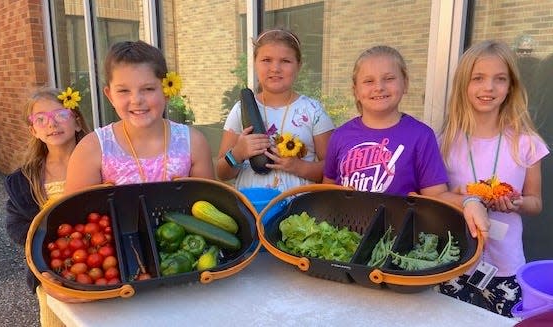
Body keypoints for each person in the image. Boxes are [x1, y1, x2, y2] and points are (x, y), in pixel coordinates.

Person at [322, 45, 488, 237]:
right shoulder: (340, 136)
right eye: (368, 81)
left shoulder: (421, 136)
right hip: (344, 236)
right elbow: (328, 191)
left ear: (405, 84)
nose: (379, 87)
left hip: (396, 240)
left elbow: (436, 196)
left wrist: (469, 202)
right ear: (356, 91)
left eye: (389, 78)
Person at [438, 40, 549, 317]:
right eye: (478, 78)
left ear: (511, 86)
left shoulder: (526, 142)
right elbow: (435, 197)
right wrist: (465, 199)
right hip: (455, 262)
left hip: (507, 265)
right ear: (463, 84)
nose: (489, 88)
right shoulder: (444, 143)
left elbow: (536, 203)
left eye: (500, 79)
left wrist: (518, 203)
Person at [65, 40, 214, 193]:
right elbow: (74, 213)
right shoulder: (92, 149)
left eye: (148, 89)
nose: (136, 100)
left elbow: (209, 204)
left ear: (166, 91)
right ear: (110, 96)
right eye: (123, 91)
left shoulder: (193, 144)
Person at [4, 87, 90, 326]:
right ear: (33, 130)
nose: (52, 124)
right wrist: (48, 241)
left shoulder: (100, 164)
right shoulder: (25, 179)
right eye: (41, 119)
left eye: (60, 115)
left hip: (97, 259)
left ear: (77, 121)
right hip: (51, 267)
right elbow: (15, 225)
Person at [217, 28, 334, 192]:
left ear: (298, 66)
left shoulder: (313, 111)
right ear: (255, 63)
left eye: (285, 61)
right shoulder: (240, 110)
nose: (275, 68)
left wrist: (298, 166)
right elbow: (222, 173)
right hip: (251, 209)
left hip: (298, 210)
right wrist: (238, 153)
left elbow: (332, 170)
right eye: (266, 60)